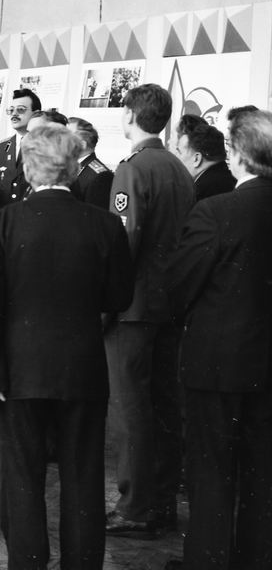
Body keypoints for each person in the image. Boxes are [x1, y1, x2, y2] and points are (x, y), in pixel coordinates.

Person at [0, 124, 132, 570]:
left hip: (20, 371)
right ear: (73, 166)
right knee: (83, 474)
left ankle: (28, 562)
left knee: (22, 475)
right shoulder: (105, 224)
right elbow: (119, 296)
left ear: (28, 168)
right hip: (82, 368)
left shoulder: (3, 223)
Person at [164, 108, 272, 570]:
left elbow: (178, 286)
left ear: (239, 155)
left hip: (216, 365)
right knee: (263, 475)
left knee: (210, 472)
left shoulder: (216, 210)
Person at [105, 83, 195, 537]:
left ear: (129, 114)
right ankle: (160, 502)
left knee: (130, 408)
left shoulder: (133, 169)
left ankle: (135, 507)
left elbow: (123, 246)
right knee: (163, 405)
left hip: (134, 309)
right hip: (169, 305)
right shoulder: (178, 167)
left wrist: (106, 306)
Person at [0, 88, 41, 207]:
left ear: (36, 114)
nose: (14, 114)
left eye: (20, 110)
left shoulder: (47, 147)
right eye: (11, 110)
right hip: (6, 218)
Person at [171, 114, 236, 200]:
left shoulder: (198, 194)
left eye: (179, 152)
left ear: (197, 159)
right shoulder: (230, 180)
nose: (176, 157)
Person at [68, 116, 114, 210]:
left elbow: (97, 215)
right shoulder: (68, 167)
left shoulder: (100, 176)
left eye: (67, 137)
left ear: (82, 145)